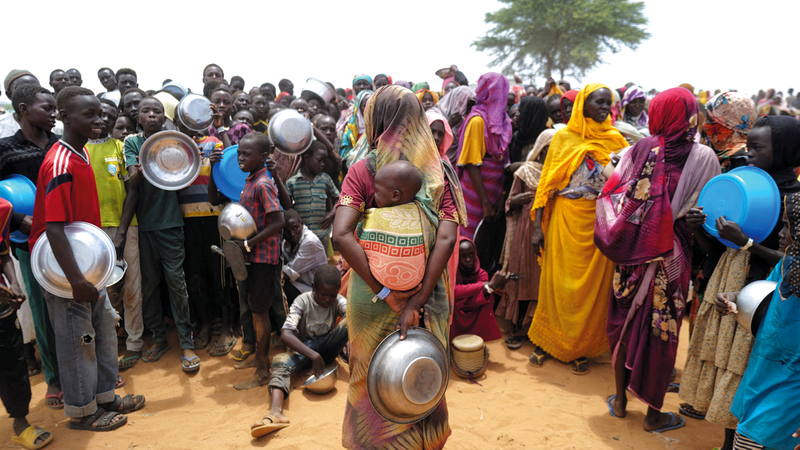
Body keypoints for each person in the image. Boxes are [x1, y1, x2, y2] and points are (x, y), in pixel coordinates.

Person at [333, 85, 464, 449]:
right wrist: (416, 300)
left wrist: (387, 292)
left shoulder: (365, 169)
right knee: (424, 369)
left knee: (369, 374)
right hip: (429, 291)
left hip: (371, 292)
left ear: (375, 120)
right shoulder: (440, 173)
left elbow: (341, 234)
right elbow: (446, 239)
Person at [596, 87, 720, 433]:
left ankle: (620, 402)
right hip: (672, 254)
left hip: (632, 253)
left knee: (624, 320)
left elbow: (614, 192)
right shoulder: (704, 157)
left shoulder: (638, 149)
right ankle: (653, 415)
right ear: (690, 116)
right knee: (662, 330)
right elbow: (706, 210)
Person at [30, 86, 145, 431]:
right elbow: (54, 229)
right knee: (77, 340)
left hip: (87, 265)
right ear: (65, 118)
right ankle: (82, 411)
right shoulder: (60, 162)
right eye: (89, 115)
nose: (99, 120)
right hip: (65, 271)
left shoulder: (80, 154)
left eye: (100, 113)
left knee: (104, 331)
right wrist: (76, 281)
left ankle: (105, 396)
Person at [681, 114, 797, 450]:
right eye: (749, 146)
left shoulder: (795, 200)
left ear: (785, 150)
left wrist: (747, 243)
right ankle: (730, 442)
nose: (750, 154)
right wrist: (699, 229)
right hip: (729, 287)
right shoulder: (741, 184)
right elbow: (718, 248)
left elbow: (792, 264)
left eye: (758, 148)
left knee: (747, 368)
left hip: (766, 302)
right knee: (726, 367)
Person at [528, 83, 628, 374]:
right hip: (565, 219)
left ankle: (580, 348)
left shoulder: (615, 140)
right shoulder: (563, 138)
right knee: (557, 283)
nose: (605, 107)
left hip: (599, 222)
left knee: (590, 291)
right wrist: (537, 226)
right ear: (584, 104)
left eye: (608, 103)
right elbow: (546, 184)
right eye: (599, 102)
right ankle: (549, 342)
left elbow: (625, 183)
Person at [124, 96, 199, 372]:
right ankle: (158, 337)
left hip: (170, 223)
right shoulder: (133, 143)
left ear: (164, 117)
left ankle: (186, 342)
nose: (152, 115)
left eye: (157, 111)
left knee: (176, 283)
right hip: (143, 225)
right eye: (146, 111)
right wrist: (140, 169)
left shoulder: (173, 142)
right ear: (138, 117)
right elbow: (133, 180)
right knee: (150, 285)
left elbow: (185, 178)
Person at [0, 84, 63, 409]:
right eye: (47, 108)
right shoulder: (6, 149)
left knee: (75, 307)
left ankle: (86, 369)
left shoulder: (60, 144)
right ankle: (54, 379)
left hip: (66, 236)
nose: (54, 114)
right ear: (23, 110)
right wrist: (15, 219)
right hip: (29, 244)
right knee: (42, 311)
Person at [722, 193, 800, 450]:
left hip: (788, 393)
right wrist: (734, 298)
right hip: (761, 377)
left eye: (790, 227)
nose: (781, 233)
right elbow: (765, 297)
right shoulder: (788, 266)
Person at [249, 265, 347, 438]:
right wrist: (313, 355)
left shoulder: (338, 301)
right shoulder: (302, 301)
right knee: (280, 360)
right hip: (306, 350)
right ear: (313, 287)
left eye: (332, 295)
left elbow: (353, 317)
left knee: (352, 319)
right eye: (323, 294)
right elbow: (286, 334)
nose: (328, 299)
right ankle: (276, 413)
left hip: (328, 347)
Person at [223, 132, 287, 391]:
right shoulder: (251, 180)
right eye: (239, 153)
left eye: (246, 154)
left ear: (262, 157)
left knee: (260, 312)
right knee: (254, 307)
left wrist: (248, 243)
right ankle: (259, 358)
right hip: (253, 257)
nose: (240, 158)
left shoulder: (262, 183)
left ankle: (262, 369)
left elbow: (279, 221)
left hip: (262, 258)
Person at [85, 98, 144, 372]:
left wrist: (121, 232)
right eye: (99, 114)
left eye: (109, 115)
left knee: (132, 286)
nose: (104, 119)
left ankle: (135, 342)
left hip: (124, 226)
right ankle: (106, 345)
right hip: (90, 232)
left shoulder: (121, 148)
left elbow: (133, 191)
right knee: (102, 291)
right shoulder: (80, 150)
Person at [0, 196, 54, 448]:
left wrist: (13, 284)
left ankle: (20, 422)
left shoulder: (2, 209)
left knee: (12, 360)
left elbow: (3, 255)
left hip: (1, 304)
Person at [496, 129, 555, 349]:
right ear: (542, 149)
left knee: (543, 279)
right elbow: (509, 203)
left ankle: (538, 326)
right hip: (526, 231)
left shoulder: (559, 173)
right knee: (522, 275)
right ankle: (520, 324)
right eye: (551, 149)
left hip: (552, 230)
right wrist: (517, 200)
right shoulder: (526, 171)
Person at [456, 72, 512, 239]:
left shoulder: (502, 121)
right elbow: (472, 164)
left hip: (494, 191)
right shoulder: (477, 121)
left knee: (487, 240)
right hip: (476, 194)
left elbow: (503, 162)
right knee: (469, 239)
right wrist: (485, 202)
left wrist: (501, 196)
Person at [285, 142, 340, 250]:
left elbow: (339, 197)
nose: (322, 164)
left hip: (321, 234)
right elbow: (287, 207)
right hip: (301, 237)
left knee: (321, 259)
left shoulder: (325, 179)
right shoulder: (292, 182)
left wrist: (332, 214)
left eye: (324, 161)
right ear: (307, 158)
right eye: (319, 160)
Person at [451, 237, 504, 342]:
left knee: (488, 298)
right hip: (455, 309)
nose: (468, 259)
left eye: (471, 255)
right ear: (456, 257)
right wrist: (483, 285)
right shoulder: (452, 273)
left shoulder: (482, 273)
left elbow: (473, 301)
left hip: (472, 305)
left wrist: (489, 287)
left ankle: (480, 338)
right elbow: (452, 292)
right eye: (462, 256)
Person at [281, 209, 327, 304]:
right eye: (287, 232)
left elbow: (289, 273)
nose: (292, 234)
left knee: (280, 288)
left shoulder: (310, 242)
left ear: (301, 223)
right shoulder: (286, 243)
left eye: (295, 228)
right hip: (300, 285)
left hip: (316, 292)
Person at [431, 85, 474, 166]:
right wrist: (449, 124)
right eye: (460, 102)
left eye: (466, 104)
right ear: (454, 100)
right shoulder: (434, 115)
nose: (462, 107)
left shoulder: (465, 118)